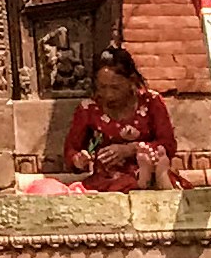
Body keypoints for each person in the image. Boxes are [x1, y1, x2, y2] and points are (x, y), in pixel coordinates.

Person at [49, 48, 178, 190]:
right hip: (107, 181)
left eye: (115, 88)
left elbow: (168, 144)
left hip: (154, 174)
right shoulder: (89, 109)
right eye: (102, 87)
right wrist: (79, 160)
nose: (108, 94)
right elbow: (71, 150)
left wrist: (132, 149)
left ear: (131, 81)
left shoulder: (151, 102)